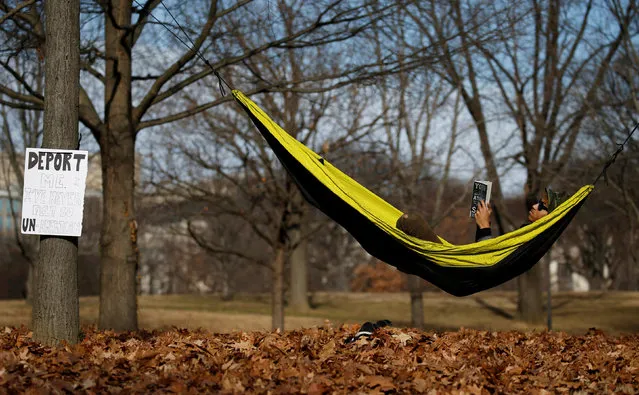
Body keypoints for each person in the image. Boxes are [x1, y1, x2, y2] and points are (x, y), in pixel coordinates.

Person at [396, 187, 568, 243]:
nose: (534, 205)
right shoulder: (527, 232)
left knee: (411, 222)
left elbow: (488, 263)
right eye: (538, 201)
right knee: (410, 226)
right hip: (462, 265)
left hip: (459, 269)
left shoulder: (533, 239)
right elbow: (487, 254)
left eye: (542, 206)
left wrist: (485, 226)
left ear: (551, 216)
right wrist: (483, 225)